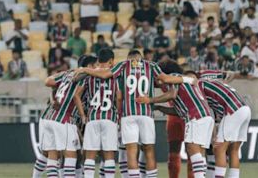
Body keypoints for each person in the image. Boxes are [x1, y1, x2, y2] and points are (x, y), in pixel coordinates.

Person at [76, 50, 194, 178]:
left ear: (129, 58)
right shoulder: (151, 65)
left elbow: (105, 76)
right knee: (149, 151)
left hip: (128, 115)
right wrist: (188, 79)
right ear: (141, 58)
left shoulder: (123, 65)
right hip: (146, 113)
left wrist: (84, 70)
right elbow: (165, 79)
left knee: (131, 152)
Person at [136, 67, 213, 178]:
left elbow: (172, 94)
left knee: (192, 149)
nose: (156, 85)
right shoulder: (183, 85)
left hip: (195, 116)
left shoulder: (174, 77)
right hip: (206, 116)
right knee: (199, 152)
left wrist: (151, 100)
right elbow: (178, 111)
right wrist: (159, 108)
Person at [40, 56, 97, 177]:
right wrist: (83, 116)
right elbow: (76, 94)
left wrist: (53, 98)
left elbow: (49, 82)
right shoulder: (84, 75)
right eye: (95, 65)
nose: (96, 68)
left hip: (50, 118)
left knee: (53, 155)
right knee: (71, 155)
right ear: (89, 66)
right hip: (64, 118)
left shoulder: (67, 73)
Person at [74, 49, 120, 178]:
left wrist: (83, 115)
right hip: (109, 117)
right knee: (109, 155)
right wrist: (120, 115)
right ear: (111, 61)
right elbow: (119, 97)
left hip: (92, 117)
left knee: (90, 155)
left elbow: (76, 95)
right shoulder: (115, 75)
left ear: (98, 60)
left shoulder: (89, 75)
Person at [197, 71, 251, 178]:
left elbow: (208, 114)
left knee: (219, 148)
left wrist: (213, 136)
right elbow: (230, 74)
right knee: (233, 150)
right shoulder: (217, 84)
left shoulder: (199, 86)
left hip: (233, 110)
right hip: (245, 109)